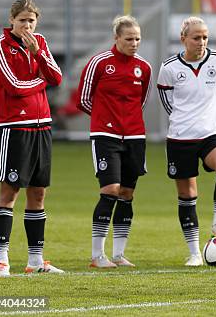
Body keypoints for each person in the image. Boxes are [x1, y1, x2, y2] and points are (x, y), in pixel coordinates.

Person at [0, 0, 64, 277]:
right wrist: (42, 79)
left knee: (39, 192)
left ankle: (35, 260)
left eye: (31, 20)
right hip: (14, 127)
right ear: (12, 21)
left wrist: (40, 56)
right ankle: (2, 260)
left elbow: (57, 77)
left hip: (42, 126)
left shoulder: (40, 42)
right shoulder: (0, 46)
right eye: (22, 20)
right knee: (10, 192)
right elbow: (15, 87)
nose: (27, 25)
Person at [156, 16, 216, 267]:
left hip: (212, 131)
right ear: (183, 39)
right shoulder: (169, 68)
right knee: (187, 193)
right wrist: (186, 121)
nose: (201, 42)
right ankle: (193, 252)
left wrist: (212, 121)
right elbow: (168, 103)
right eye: (196, 37)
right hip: (181, 137)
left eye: (205, 37)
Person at [77, 15, 152, 268]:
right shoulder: (99, 62)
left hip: (134, 136)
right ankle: (98, 255)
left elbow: (141, 100)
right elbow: (84, 99)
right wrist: (104, 120)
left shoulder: (144, 67)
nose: (134, 43)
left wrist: (128, 123)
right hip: (106, 136)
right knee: (110, 190)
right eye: (129, 39)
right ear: (116, 38)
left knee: (127, 193)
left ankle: (119, 254)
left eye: (138, 39)